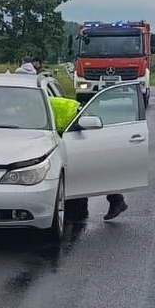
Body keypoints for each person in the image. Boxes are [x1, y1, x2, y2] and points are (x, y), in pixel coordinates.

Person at [49, 91, 128, 221]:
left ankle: (115, 199)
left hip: (76, 119)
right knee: (78, 165)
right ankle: (83, 208)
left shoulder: (32, 104)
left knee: (87, 164)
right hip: (71, 123)